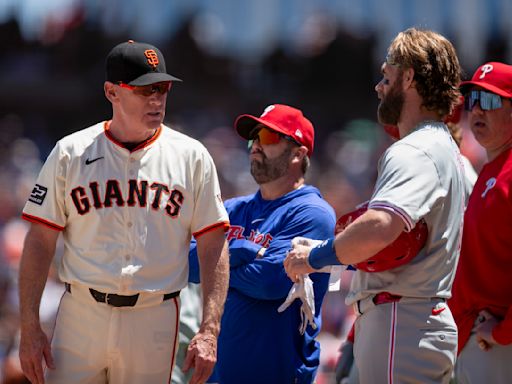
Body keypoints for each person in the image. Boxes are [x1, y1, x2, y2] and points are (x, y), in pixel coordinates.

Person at [18, 40, 230, 384]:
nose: (156, 98)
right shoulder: (70, 152)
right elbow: (40, 240)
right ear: (111, 92)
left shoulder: (192, 156)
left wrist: (210, 328)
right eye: (144, 88)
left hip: (153, 317)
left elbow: (213, 243)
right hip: (82, 314)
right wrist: (29, 325)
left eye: (162, 88)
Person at [284, 27, 465, 383]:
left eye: (387, 75)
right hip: (415, 318)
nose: (379, 86)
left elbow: (382, 225)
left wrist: (315, 258)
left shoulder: (414, 149)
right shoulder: (443, 146)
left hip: (403, 319)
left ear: (409, 77)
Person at [190, 104, 336, 383]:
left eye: (268, 138)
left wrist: (217, 261)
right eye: (253, 138)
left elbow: (271, 282)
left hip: (276, 371)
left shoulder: (312, 213)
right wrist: (243, 251)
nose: (255, 146)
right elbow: (187, 264)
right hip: (218, 373)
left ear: (298, 153)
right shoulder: (232, 208)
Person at [449, 61, 512, 383]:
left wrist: (504, 332)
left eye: (489, 101)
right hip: (475, 335)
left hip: (498, 341)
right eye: (472, 101)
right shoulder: (491, 169)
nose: (477, 111)